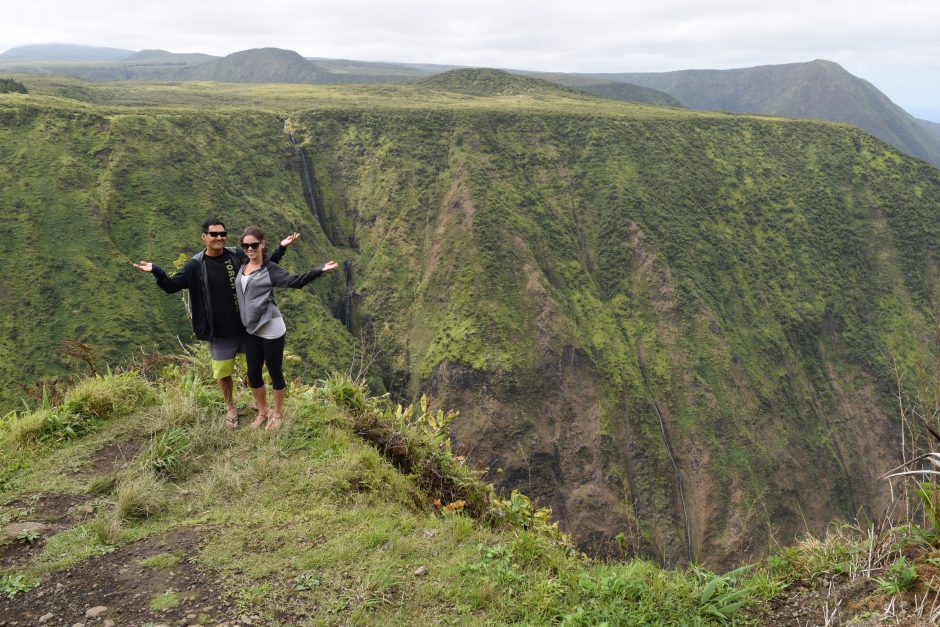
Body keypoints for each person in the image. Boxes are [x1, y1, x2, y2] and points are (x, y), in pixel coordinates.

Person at [133, 217, 300, 427]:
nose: (219, 237)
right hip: (219, 332)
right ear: (204, 237)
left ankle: (261, 409)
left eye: (222, 234)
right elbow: (171, 286)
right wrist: (157, 270)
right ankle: (231, 407)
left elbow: (264, 265)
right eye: (214, 234)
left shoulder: (236, 255)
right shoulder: (195, 265)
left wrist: (281, 249)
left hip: (246, 327)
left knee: (254, 371)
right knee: (223, 373)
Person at [236, 225, 338, 430]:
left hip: (271, 326)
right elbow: (266, 263)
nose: (249, 249)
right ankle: (263, 412)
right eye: (245, 246)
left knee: (275, 371)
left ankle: (278, 414)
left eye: (254, 245)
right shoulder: (244, 265)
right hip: (251, 327)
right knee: (253, 373)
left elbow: (296, 281)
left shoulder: (270, 269)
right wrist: (282, 247)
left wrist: (318, 270)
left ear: (262, 244)